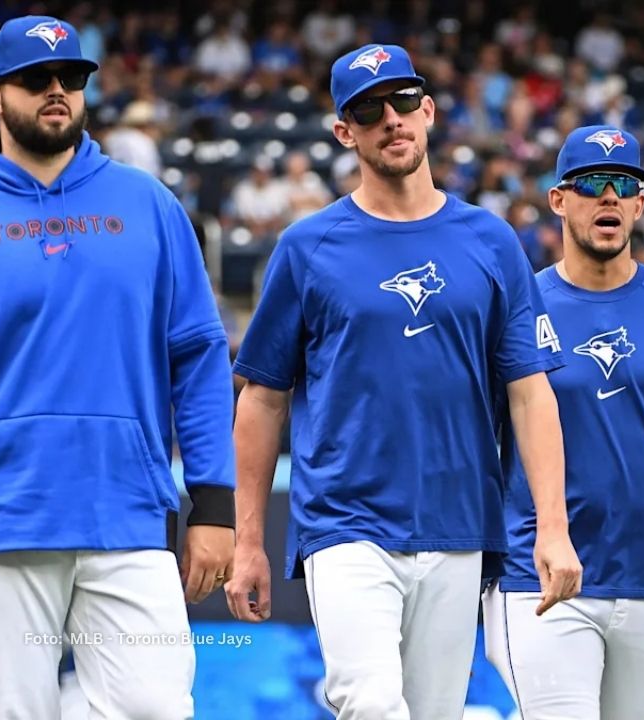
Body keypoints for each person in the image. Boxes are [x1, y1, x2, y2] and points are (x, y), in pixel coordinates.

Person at [225, 43, 582, 720]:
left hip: (458, 522)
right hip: (344, 522)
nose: (389, 119)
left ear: (428, 110)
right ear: (344, 132)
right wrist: (249, 544)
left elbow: (531, 393)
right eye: (367, 111)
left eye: (401, 102)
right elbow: (263, 398)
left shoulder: (492, 239)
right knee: (370, 703)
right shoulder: (308, 246)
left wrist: (552, 529)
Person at [0, 15, 235, 719]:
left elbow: (198, 356)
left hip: (129, 511)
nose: (57, 91)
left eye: (71, 78)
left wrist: (215, 505)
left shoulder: (148, 204)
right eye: (36, 79)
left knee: (156, 709)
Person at [482, 125, 644, 719]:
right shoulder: (514, 308)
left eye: (623, 185)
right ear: (558, 199)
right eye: (591, 183)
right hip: (540, 574)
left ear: (639, 204)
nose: (608, 196)